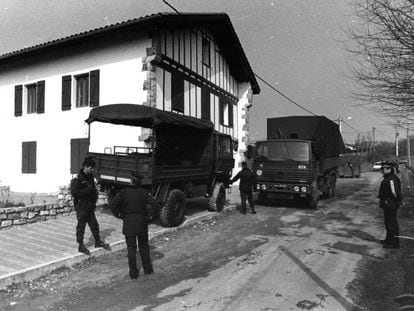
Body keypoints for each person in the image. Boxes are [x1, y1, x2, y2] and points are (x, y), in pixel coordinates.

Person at [109, 172, 158, 279]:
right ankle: (148, 269)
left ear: (131, 181)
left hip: (128, 222)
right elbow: (155, 204)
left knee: (131, 249)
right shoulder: (144, 192)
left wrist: (119, 214)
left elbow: (113, 204)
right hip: (141, 222)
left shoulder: (124, 192)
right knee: (144, 247)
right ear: (139, 182)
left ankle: (133, 273)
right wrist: (150, 217)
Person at [70, 157, 110, 255]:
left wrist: (94, 197)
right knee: (81, 227)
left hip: (90, 206)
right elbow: (74, 192)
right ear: (86, 167)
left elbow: (93, 189)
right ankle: (81, 245)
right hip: (81, 206)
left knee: (94, 225)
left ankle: (97, 242)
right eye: (91, 168)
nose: (92, 169)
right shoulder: (78, 179)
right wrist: (88, 191)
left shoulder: (90, 177)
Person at [378, 160, 402, 249]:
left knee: (392, 224)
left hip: (391, 204)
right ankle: (389, 239)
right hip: (388, 204)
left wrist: (398, 201)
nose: (382, 170)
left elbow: (395, 192)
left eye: (384, 169)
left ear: (390, 169)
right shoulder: (388, 178)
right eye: (382, 168)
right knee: (388, 223)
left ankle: (394, 243)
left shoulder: (391, 179)